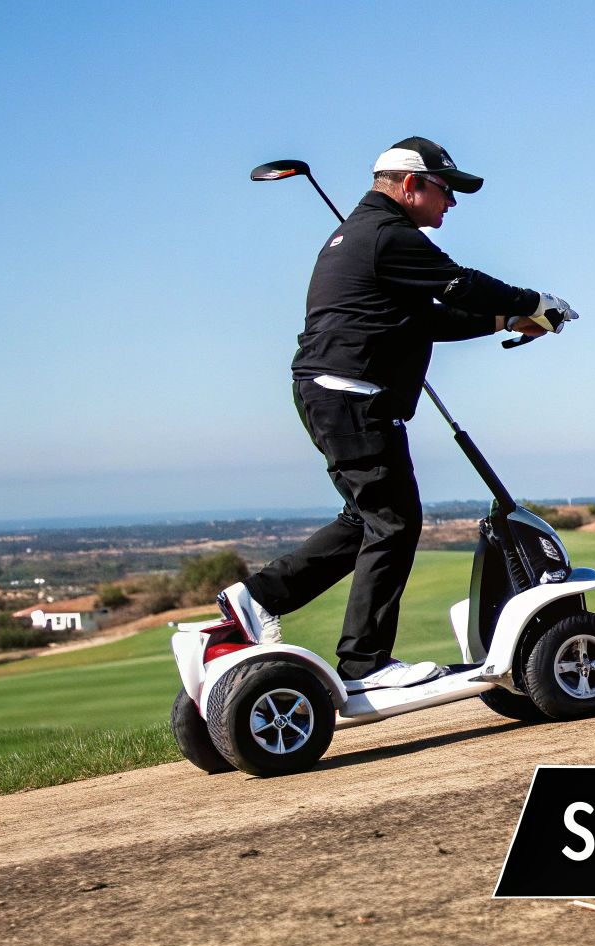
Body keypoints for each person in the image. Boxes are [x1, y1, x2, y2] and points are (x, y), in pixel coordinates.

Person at [220, 136, 575, 689]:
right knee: (395, 520)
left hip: (334, 392)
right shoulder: (389, 236)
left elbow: (427, 320)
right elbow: (463, 284)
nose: (451, 204)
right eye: (445, 190)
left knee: (366, 519)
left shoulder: (365, 235)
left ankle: (258, 596)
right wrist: (533, 302)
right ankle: (365, 664)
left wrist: (507, 321)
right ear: (410, 185)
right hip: (352, 394)